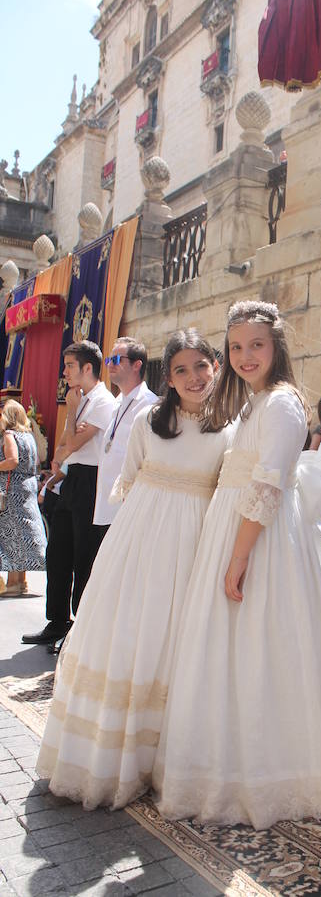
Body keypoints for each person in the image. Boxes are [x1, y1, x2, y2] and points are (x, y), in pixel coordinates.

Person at [153, 301, 321, 830]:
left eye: (256, 346)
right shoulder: (255, 402)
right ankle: (228, 762)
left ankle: (271, 773)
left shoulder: (284, 405)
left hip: (261, 541)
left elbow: (268, 485)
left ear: (276, 347)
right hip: (238, 526)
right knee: (230, 648)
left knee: (260, 645)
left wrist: (239, 556)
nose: (245, 356)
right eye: (237, 347)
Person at [36, 329, 232, 810]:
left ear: (215, 367)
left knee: (175, 639)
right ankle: (113, 754)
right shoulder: (149, 420)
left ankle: (168, 756)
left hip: (195, 542)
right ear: (168, 377)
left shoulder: (230, 427)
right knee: (129, 631)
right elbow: (133, 478)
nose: (193, 378)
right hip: (142, 537)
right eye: (181, 369)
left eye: (200, 367)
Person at [22, 341, 116, 647]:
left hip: (91, 481)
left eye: (70, 366)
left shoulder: (102, 401)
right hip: (70, 478)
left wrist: (73, 411)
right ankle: (57, 620)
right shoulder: (80, 398)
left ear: (87, 368)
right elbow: (63, 445)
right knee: (58, 552)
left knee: (83, 555)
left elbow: (72, 446)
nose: (64, 372)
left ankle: (81, 630)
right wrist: (62, 459)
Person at [92, 336, 157, 537]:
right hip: (107, 503)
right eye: (109, 360)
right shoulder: (118, 403)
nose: (111, 365)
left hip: (128, 505)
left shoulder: (148, 404)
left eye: (117, 360)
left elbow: (150, 456)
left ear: (137, 365)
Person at [0, 400, 47, 594]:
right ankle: (22, 580)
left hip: (12, 491)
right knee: (24, 533)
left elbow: (11, 461)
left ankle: (12, 583)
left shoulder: (10, 435)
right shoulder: (29, 436)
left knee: (11, 534)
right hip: (27, 487)